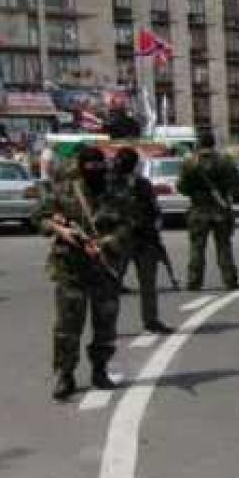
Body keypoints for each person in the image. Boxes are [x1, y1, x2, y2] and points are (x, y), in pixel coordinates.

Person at [36, 146, 130, 402]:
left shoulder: (116, 189)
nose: (96, 173)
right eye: (90, 168)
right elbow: (40, 218)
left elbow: (128, 224)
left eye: (100, 168)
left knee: (105, 323)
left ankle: (100, 370)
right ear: (80, 167)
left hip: (105, 267)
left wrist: (107, 242)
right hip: (70, 267)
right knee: (67, 326)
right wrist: (61, 231)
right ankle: (65, 374)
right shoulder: (64, 188)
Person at [112, 148, 174, 334]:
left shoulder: (142, 184)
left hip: (144, 239)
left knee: (148, 283)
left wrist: (155, 231)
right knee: (112, 284)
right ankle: (107, 323)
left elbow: (154, 210)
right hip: (119, 240)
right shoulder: (109, 184)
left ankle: (151, 320)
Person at [178, 133, 239, 291]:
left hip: (199, 209)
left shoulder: (190, 163)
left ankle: (194, 281)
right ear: (213, 144)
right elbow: (237, 182)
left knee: (197, 247)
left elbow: (182, 187)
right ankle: (230, 279)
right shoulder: (225, 161)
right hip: (220, 208)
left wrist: (196, 192)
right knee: (224, 246)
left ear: (199, 144)